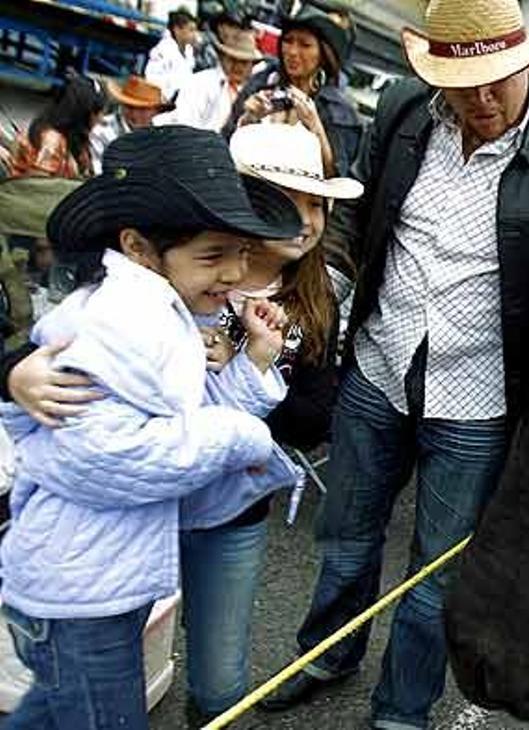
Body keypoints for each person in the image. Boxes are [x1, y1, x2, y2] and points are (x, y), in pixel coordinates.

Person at [255, 0, 529, 726]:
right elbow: (356, 224)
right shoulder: (403, 114)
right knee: (345, 540)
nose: (482, 100)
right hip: (378, 369)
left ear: (526, 60)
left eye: (498, 80)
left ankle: (401, 711)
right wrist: (317, 294)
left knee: (433, 580)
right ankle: (328, 655)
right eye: (465, 85)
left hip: (483, 398)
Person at [0, 125, 301, 730]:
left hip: (93, 582)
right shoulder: (120, 318)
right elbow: (103, 454)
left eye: (240, 252)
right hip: (79, 593)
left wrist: (254, 363)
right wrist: (239, 440)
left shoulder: (160, 311)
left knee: (51, 715)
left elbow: (173, 427)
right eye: (213, 256)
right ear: (139, 246)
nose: (234, 272)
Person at [176, 120, 363, 724]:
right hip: (144, 506)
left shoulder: (318, 295)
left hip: (234, 512)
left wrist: (253, 361)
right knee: (115, 666)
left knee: (221, 686)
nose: (309, 218)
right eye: (291, 200)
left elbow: (316, 416)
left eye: (318, 203)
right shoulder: (175, 269)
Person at [224, 4, 362, 177]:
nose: (292, 52)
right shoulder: (262, 84)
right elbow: (225, 143)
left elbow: (336, 179)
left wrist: (315, 127)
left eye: (305, 45)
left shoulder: (338, 112)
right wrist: (247, 119)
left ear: (324, 54)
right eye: (288, 41)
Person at [159, 28, 261, 132]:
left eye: (244, 63)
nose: (238, 66)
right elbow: (185, 124)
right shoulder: (201, 83)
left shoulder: (252, 91)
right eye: (233, 60)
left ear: (252, 65)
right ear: (222, 58)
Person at [5, 75, 106, 179]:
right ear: (85, 114)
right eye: (99, 113)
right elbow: (39, 186)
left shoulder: (76, 138)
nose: (101, 118)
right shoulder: (52, 141)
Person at [89, 76, 173, 175]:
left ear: (155, 111)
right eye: (129, 107)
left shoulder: (161, 137)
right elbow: (97, 174)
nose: (134, 114)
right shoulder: (102, 131)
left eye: (142, 110)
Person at [144, 8, 199, 100]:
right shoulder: (162, 49)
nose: (194, 35)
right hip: (164, 101)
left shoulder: (189, 50)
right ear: (177, 30)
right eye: (191, 30)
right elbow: (151, 79)